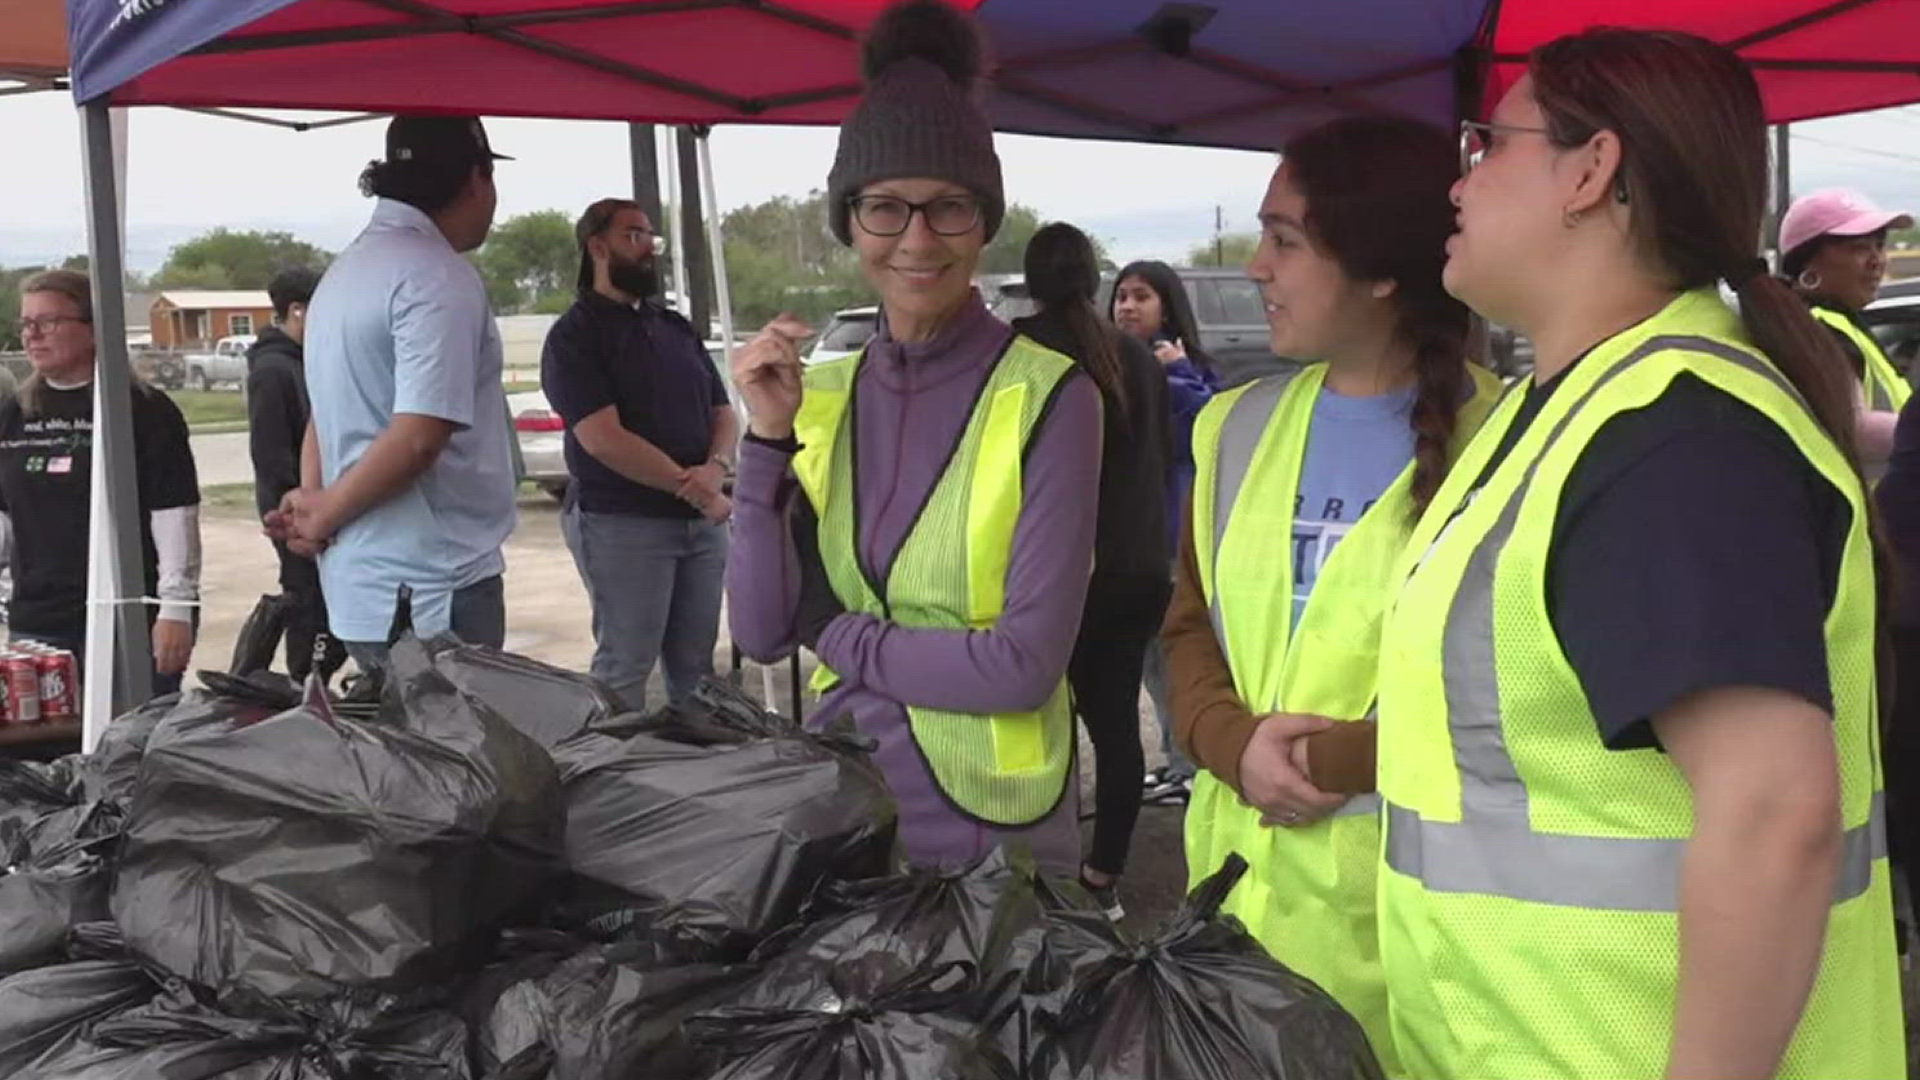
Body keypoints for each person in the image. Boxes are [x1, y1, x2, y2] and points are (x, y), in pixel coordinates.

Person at [1377, 29, 1900, 1079]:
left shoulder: (1675, 433)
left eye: (1490, 144)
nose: (1462, 180)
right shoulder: (1579, 407)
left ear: (1593, 170)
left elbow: (1772, 813)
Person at [727, 0, 1101, 876]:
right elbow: (763, 628)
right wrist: (763, 447)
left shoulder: (1052, 395)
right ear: (849, 221)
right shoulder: (822, 393)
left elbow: (1019, 668)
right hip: (847, 811)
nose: (919, 241)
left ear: (986, 219)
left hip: (992, 842)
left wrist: (841, 634)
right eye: (886, 209)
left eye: (950, 208)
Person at [1162, 116, 1501, 1071]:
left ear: (1383, 271)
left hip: (1416, 951)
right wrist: (1230, 744)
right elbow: (1187, 625)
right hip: (1230, 925)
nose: (1255, 267)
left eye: (1285, 239)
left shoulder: (1518, 442)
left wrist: (1321, 761)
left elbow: (1524, 710)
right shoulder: (1234, 426)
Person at [270, 116, 516, 666]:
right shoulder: (435, 276)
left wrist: (314, 506)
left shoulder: (343, 273)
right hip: (434, 590)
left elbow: (324, 414)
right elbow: (419, 437)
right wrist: (324, 513)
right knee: (456, 751)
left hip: (362, 583)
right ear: (478, 180)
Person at [1011, 222, 1170, 918]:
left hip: (1049, 575)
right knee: (1114, 728)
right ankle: (1103, 878)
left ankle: (1036, 876)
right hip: (1136, 568)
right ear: (1093, 280)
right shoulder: (1136, 359)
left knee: (1033, 731)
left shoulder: (1017, 353)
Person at [544, 198, 738, 709]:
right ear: (597, 246)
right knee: (626, 665)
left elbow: (724, 411)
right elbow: (603, 438)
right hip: (623, 524)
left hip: (701, 525)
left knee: (698, 672)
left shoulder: (673, 326)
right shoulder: (575, 337)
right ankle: (609, 775)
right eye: (633, 235)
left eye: (651, 235)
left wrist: (715, 469)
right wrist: (693, 488)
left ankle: (696, 769)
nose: (649, 246)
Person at [0, 270, 201, 695]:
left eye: (48, 322)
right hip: (39, 622)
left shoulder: (145, 412)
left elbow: (174, 515)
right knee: (48, 750)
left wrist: (176, 608)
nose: (32, 335)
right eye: (26, 323)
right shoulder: (13, 414)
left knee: (128, 746)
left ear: (94, 328)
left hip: (127, 614)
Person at [1109, 259, 1218, 804]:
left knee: (1182, 655)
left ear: (1168, 306)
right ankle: (1177, 762)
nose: (1127, 306)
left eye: (1141, 296)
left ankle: (1193, 767)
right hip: (1132, 541)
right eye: (1121, 296)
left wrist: (1176, 373)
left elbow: (1209, 430)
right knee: (1151, 661)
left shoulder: (1188, 368)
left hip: (1177, 537)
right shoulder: (1110, 365)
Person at [247, 266, 345, 682]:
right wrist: (294, 521)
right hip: (296, 520)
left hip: (325, 513)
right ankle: (306, 693)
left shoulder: (309, 363)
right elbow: (270, 455)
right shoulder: (272, 371)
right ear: (298, 311)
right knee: (311, 615)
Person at [1781, 188, 1914, 470]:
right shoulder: (1815, 330)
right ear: (1808, 260)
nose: (1878, 260)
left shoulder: (1837, 323)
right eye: (1860, 247)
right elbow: (1855, 429)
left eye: (1880, 245)